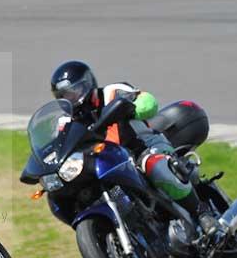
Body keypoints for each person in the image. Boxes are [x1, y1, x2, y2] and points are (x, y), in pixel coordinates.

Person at [50, 60, 222, 236]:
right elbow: (57, 147)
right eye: (64, 96)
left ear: (87, 84)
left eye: (74, 91)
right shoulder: (65, 122)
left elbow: (148, 101)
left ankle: (202, 214)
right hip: (108, 165)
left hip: (144, 148)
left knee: (153, 164)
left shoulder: (111, 93)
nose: (70, 98)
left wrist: (133, 108)